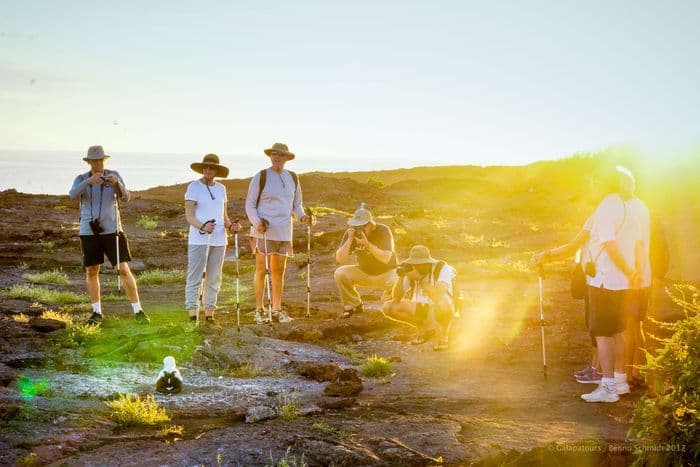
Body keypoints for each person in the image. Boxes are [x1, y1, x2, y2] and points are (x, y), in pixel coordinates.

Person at [579, 165, 647, 403]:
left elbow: (609, 243)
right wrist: (634, 272)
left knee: (603, 335)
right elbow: (638, 244)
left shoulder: (607, 205)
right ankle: (619, 382)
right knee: (618, 332)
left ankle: (607, 388)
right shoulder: (629, 208)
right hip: (623, 283)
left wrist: (629, 270)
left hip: (606, 280)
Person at [69, 145, 149, 325]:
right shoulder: (81, 178)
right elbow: (72, 195)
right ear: (89, 162)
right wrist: (88, 183)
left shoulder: (114, 175)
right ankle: (96, 312)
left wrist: (116, 184)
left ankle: (138, 310)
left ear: (104, 160)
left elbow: (126, 197)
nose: (97, 163)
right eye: (94, 160)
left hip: (113, 231)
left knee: (123, 268)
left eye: (100, 160)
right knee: (91, 270)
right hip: (89, 231)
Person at [245, 143, 312, 324]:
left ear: (286, 158)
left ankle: (276, 309)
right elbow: (250, 204)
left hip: (284, 231)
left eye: (280, 155)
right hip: (263, 230)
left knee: (278, 271)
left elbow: (296, 204)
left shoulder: (292, 178)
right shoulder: (262, 176)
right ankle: (259, 309)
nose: (276, 157)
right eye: (274, 154)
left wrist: (303, 217)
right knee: (261, 269)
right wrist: (257, 223)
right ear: (270, 156)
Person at [531, 217, 602, 383]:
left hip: (598, 279)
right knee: (593, 324)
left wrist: (546, 255)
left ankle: (599, 369)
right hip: (595, 277)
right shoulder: (603, 214)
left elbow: (572, 247)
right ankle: (595, 366)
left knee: (598, 326)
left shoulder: (597, 217)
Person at [185, 154, 238, 323]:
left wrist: (231, 226)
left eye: (212, 167)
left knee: (214, 277)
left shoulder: (221, 188)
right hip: (199, 239)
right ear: (202, 169)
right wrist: (203, 226)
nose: (208, 170)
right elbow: (189, 216)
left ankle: (209, 314)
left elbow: (224, 216)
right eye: (205, 167)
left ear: (216, 170)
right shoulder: (193, 187)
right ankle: (193, 315)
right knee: (195, 276)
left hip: (219, 240)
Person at [383, 245, 455, 350]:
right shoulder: (411, 270)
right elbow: (396, 297)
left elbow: (438, 296)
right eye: (415, 264)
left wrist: (420, 280)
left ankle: (443, 335)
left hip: (439, 308)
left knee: (443, 302)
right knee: (389, 307)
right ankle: (424, 330)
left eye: (421, 264)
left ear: (428, 262)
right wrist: (402, 276)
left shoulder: (441, 268)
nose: (418, 266)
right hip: (420, 308)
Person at [334, 203, 397, 318]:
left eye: (363, 226)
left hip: (386, 273)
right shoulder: (352, 234)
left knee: (398, 278)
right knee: (340, 273)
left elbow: (387, 258)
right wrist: (350, 239)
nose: (360, 230)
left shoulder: (383, 230)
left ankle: (388, 305)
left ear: (371, 224)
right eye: (357, 226)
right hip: (364, 272)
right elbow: (339, 259)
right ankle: (353, 305)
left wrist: (367, 245)